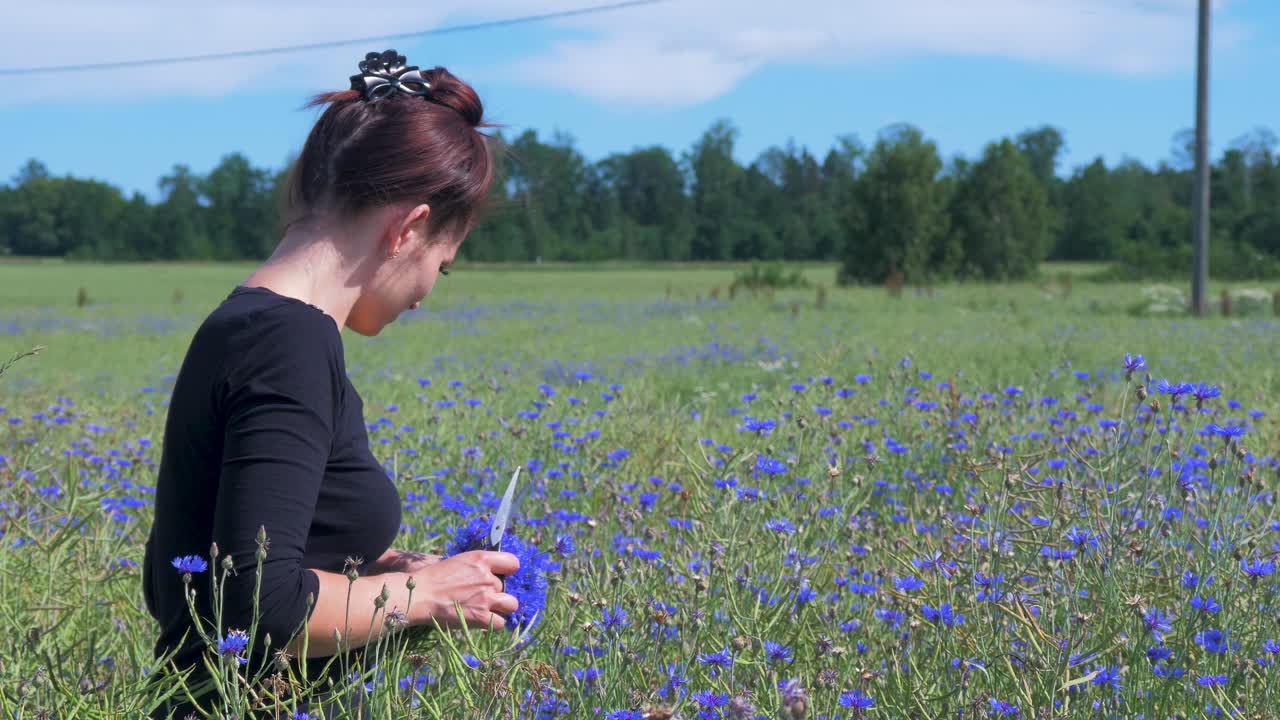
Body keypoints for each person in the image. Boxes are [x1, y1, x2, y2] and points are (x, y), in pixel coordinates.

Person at [141, 49, 519, 719]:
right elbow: (260, 606)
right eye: (444, 264)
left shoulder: (246, 325)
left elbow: (214, 563)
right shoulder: (291, 344)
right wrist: (428, 595)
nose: (428, 294)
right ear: (409, 229)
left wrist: (390, 569)